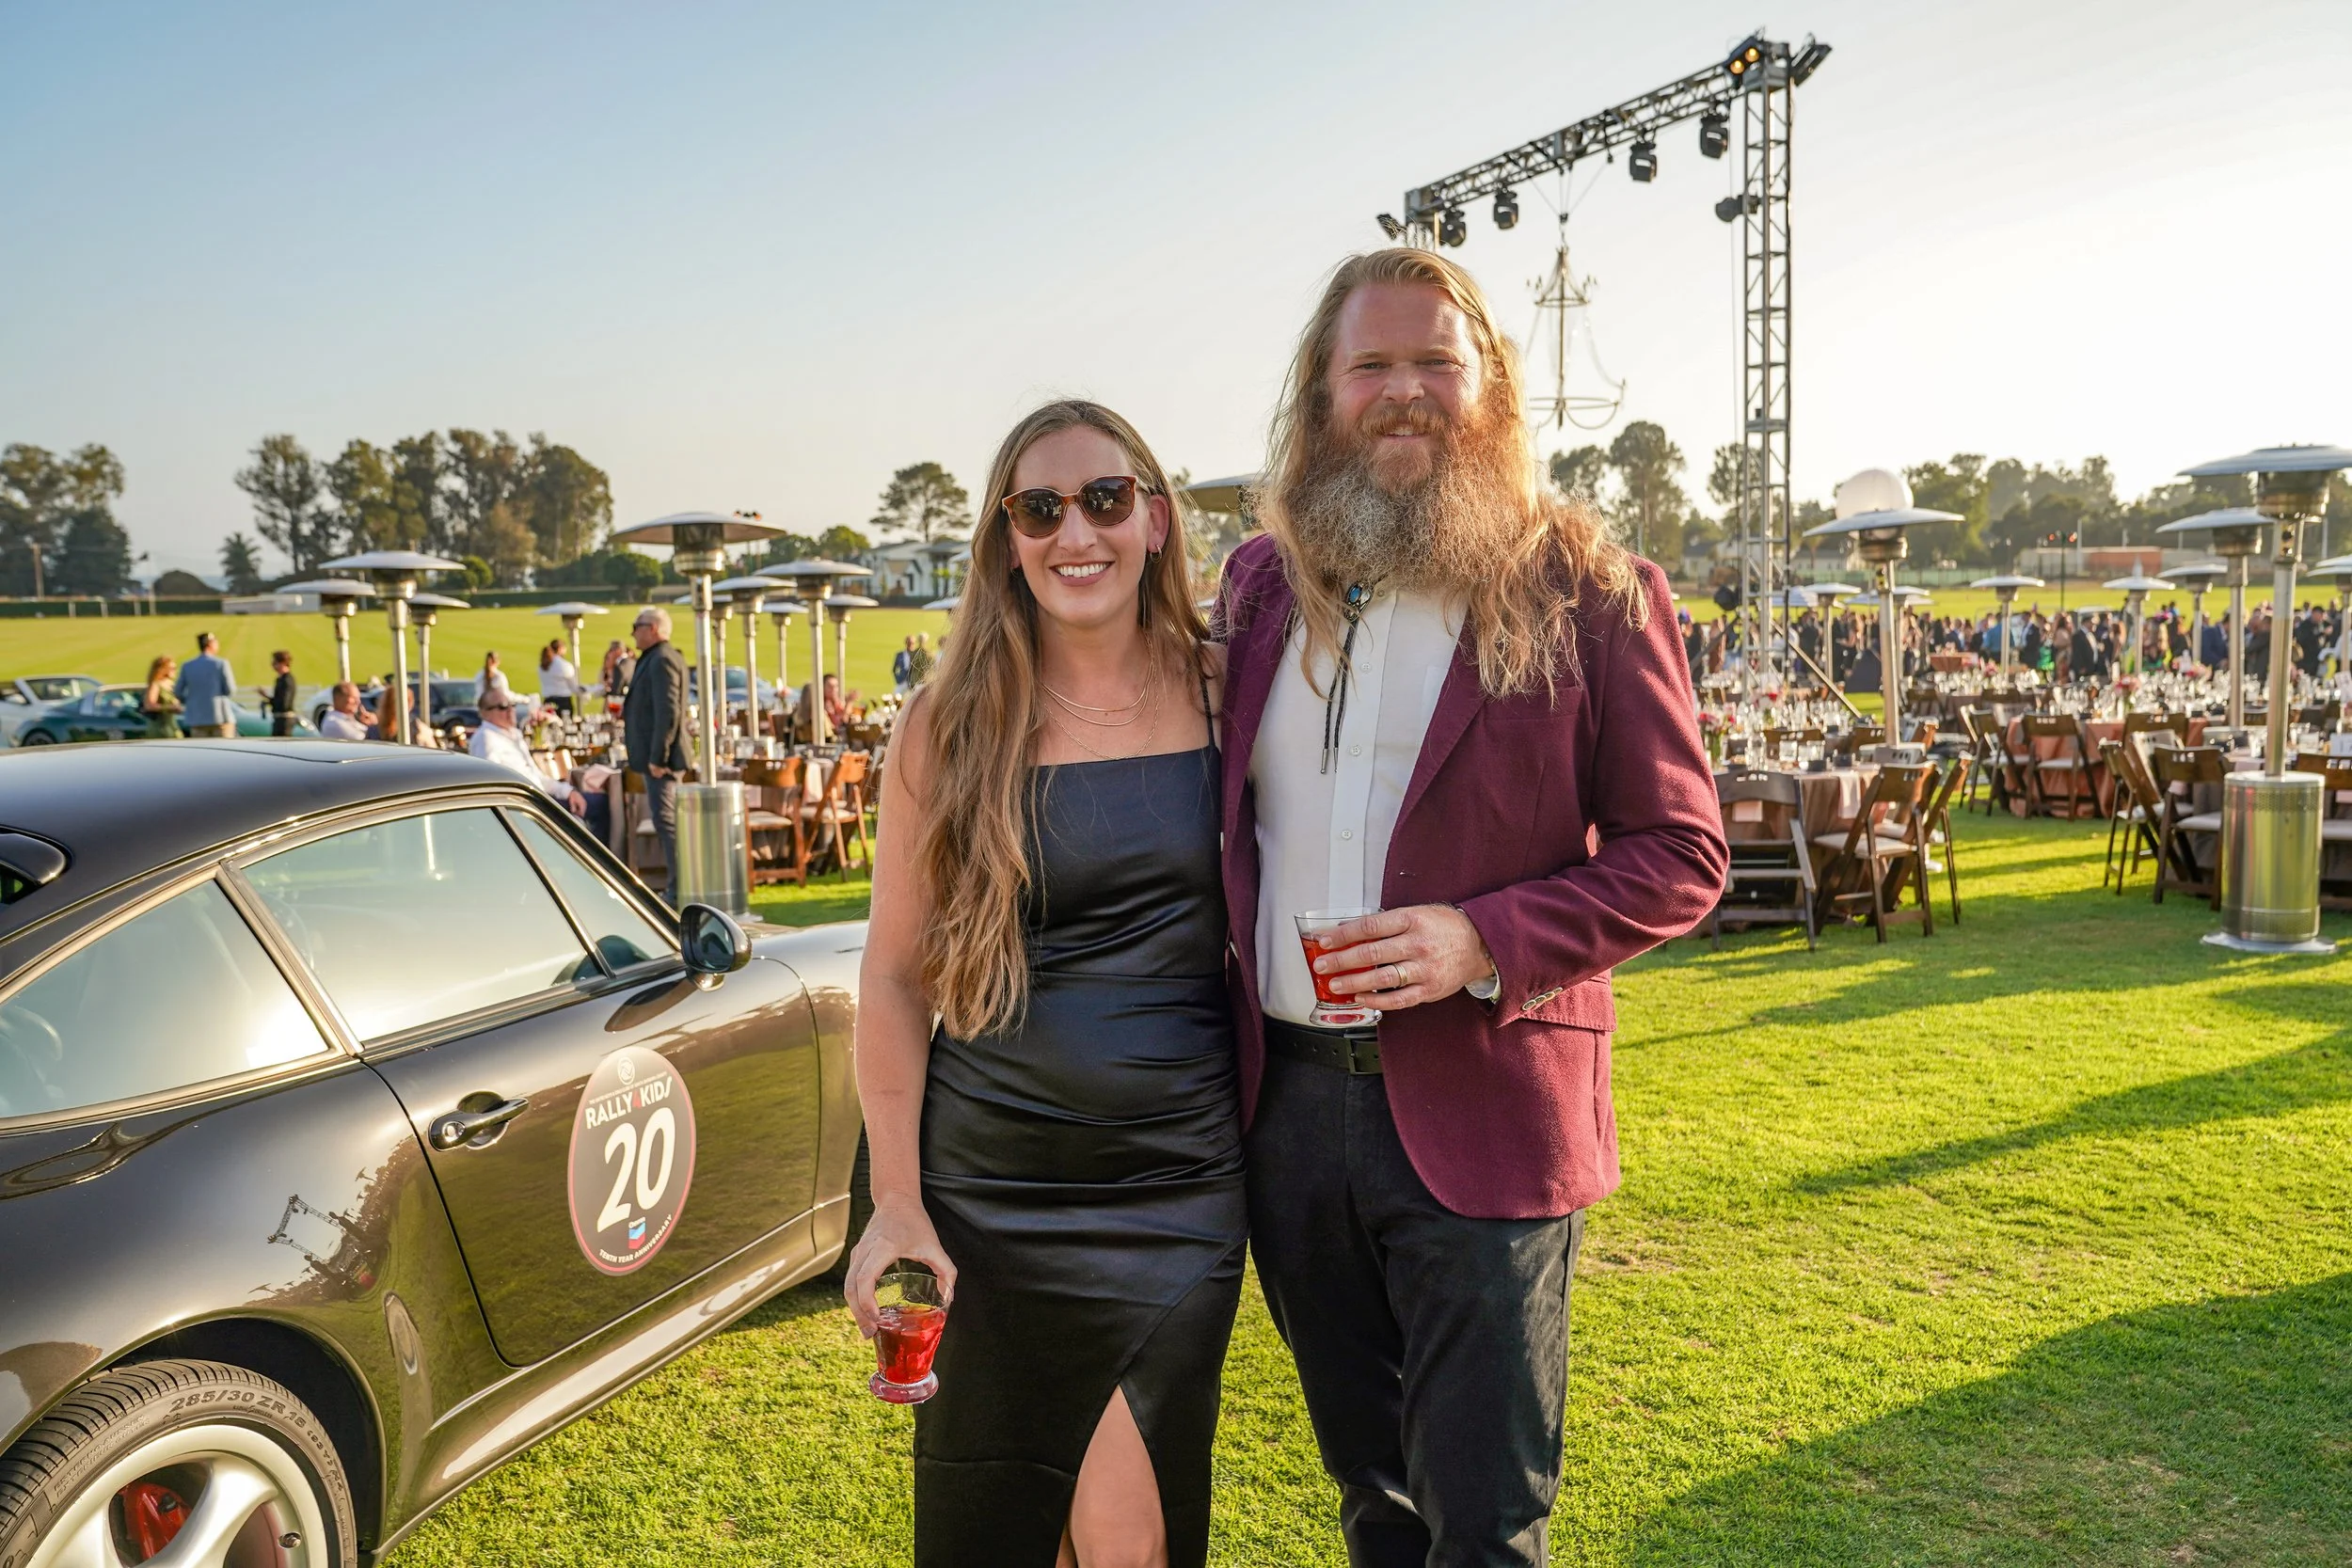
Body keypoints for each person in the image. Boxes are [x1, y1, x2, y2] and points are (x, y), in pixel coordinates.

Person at [1217, 248, 1727, 1566]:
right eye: (1370, 365)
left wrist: (1480, 940)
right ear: (1318, 394)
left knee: (1486, 1520)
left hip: (1487, 1103)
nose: (1404, 393)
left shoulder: (1593, 589)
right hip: (1288, 1113)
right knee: (1370, 1495)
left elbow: (1682, 850)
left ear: (1491, 380)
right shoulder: (1261, 588)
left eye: (1435, 361)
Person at [842, 401, 1242, 1568]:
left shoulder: (1229, 691)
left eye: (1106, 498)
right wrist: (899, 1200)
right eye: (1039, 506)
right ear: (1005, 537)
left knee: (1130, 1533)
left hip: (1178, 1190)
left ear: (1156, 520)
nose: (1077, 529)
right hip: (992, 1191)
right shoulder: (947, 722)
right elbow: (893, 975)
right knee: (1012, 1518)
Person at [620, 607, 689, 903]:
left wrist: (658, 758)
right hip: (657, 756)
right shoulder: (657, 658)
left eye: (637, 626)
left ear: (654, 628)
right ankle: (679, 884)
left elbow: (667, 712)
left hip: (662, 760)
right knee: (666, 820)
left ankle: (680, 887)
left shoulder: (661, 660)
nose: (633, 631)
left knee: (666, 820)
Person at [469, 689, 608, 836]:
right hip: (527, 809)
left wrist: (568, 792)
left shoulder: (512, 734)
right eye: (503, 706)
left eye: (512, 704)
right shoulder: (486, 739)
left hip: (541, 800)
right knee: (600, 805)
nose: (511, 710)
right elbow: (493, 787)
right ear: (485, 713)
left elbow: (537, 776)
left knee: (601, 802)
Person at [172, 632, 239, 737]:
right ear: (210, 644)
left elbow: (178, 692)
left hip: (196, 719)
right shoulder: (221, 664)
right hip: (220, 717)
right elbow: (230, 690)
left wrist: (191, 701)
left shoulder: (188, 666)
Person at [140, 656, 183, 738]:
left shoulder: (171, 684)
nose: (175, 671)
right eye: (172, 668)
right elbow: (149, 705)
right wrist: (170, 707)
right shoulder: (156, 684)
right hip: (160, 728)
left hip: (172, 725)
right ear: (163, 669)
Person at [541, 640, 578, 716]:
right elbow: (574, 687)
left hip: (548, 702)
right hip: (563, 702)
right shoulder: (564, 665)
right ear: (560, 649)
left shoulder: (543, 665)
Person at [267, 650, 298, 737]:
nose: (273, 665)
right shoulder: (280, 679)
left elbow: (284, 704)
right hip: (280, 719)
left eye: (275, 662)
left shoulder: (287, 680)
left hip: (285, 720)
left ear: (283, 663)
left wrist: (272, 701)